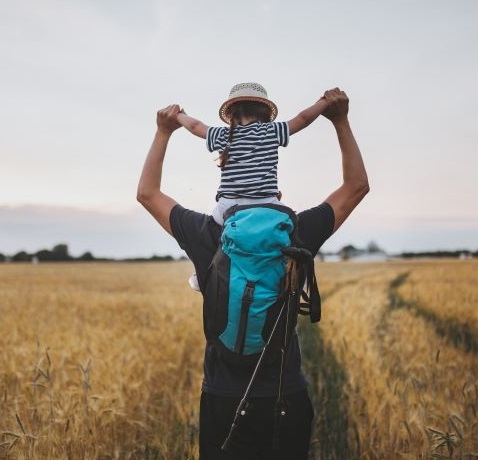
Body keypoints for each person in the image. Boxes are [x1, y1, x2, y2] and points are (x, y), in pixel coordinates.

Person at [137, 88, 368, 459]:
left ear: (224, 162)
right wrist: (338, 119)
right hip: (285, 395)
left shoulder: (208, 233)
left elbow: (147, 193)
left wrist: (165, 130)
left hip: (223, 400)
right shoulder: (295, 231)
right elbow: (357, 186)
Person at [176, 82, 330, 225]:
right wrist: (324, 102)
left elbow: (195, 126)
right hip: (266, 206)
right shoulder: (272, 131)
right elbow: (303, 118)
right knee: (288, 222)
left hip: (227, 210)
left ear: (230, 113)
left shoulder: (221, 134)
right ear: (266, 112)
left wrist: (180, 115)